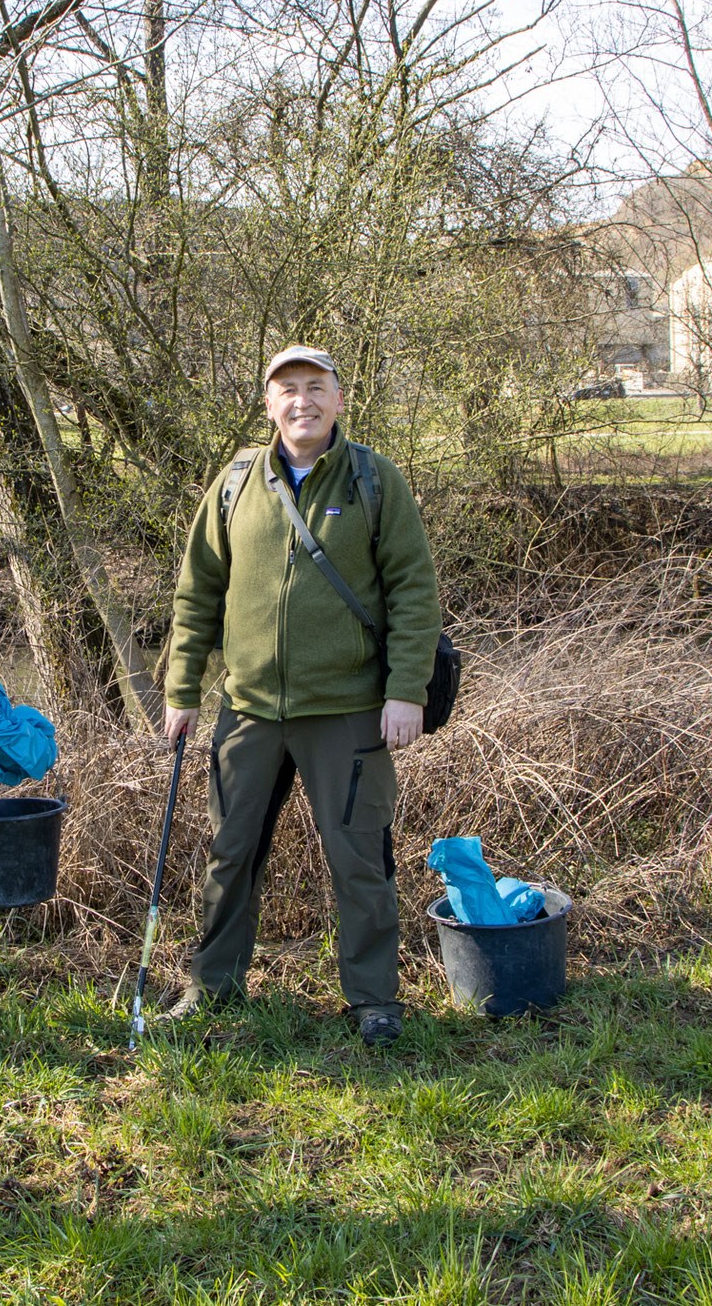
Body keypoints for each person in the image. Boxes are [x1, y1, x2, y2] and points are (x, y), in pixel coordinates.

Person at [163, 345, 441, 1047]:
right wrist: (182, 686)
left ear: (339, 399)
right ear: (268, 404)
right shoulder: (233, 486)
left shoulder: (377, 481)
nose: (302, 402)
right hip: (248, 709)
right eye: (287, 390)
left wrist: (406, 690)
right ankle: (211, 986)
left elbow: (414, 590)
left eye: (316, 388)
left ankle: (374, 999)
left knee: (360, 857)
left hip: (348, 712)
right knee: (230, 854)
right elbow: (197, 593)